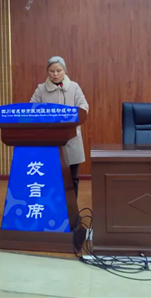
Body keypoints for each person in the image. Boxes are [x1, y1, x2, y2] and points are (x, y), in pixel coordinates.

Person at [30, 56, 89, 197]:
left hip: (71, 139)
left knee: (72, 177)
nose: (55, 74)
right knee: (50, 178)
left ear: (65, 70)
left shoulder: (74, 87)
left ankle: (72, 208)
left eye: (59, 70)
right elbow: (32, 109)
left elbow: (83, 107)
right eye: (52, 71)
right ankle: (53, 208)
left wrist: (70, 115)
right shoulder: (41, 89)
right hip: (49, 140)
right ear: (47, 71)